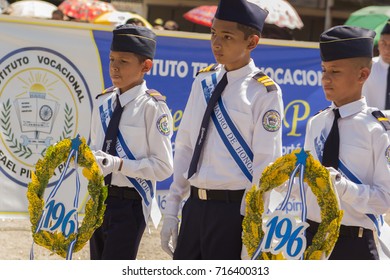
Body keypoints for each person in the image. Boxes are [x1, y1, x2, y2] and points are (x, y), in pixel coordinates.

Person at [160, 0, 283, 260]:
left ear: (251, 42)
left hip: (233, 212)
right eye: (213, 33)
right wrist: (172, 208)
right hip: (194, 207)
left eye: (227, 37)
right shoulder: (203, 81)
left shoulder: (263, 91)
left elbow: (266, 163)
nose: (216, 43)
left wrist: (253, 224)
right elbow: (185, 145)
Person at [303, 25, 390, 259]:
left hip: (354, 243)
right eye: (323, 70)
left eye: (335, 71)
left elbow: (385, 199)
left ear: (362, 75)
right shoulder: (317, 123)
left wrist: (343, 187)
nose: (326, 79)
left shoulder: (376, 129)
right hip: (313, 240)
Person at [89, 24, 174, 260]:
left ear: (146, 66)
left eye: (124, 61)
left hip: (129, 204)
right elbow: (95, 149)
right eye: (112, 59)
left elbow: (163, 167)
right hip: (98, 200)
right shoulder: (103, 102)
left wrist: (118, 164)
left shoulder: (152, 107)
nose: (114, 67)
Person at [362, 21, 390, 111]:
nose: (387, 49)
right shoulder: (367, 67)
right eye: (383, 43)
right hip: (371, 123)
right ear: (378, 45)